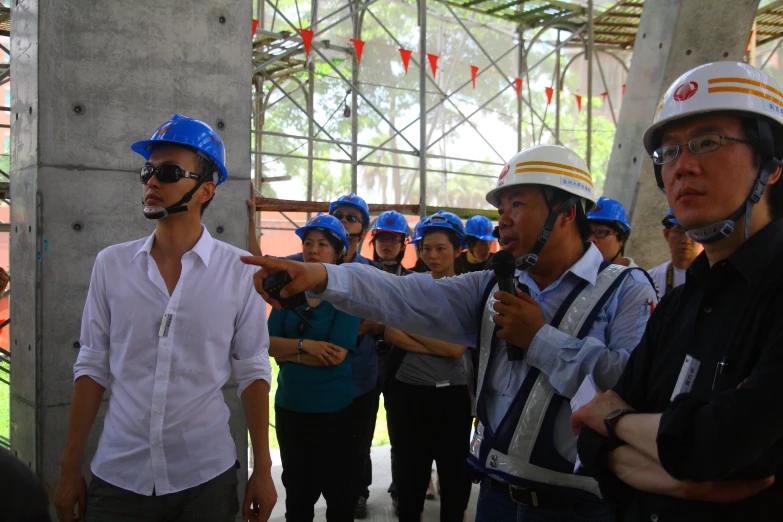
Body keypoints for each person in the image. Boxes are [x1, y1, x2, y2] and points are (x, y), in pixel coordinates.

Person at [242, 143, 658, 522]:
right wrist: (318, 275)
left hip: (582, 507)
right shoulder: (492, 287)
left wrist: (540, 339)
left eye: (517, 203)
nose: (504, 218)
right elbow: (403, 294)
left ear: (567, 213)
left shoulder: (626, 290)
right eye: (502, 205)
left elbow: (629, 389)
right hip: (497, 496)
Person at [571, 61, 783, 521]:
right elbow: (588, 440)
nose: (682, 166)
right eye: (668, 153)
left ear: (771, 163)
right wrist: (688, 472)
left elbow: (721, 445)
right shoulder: (679, 301)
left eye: (708, 142)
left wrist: (616, 421)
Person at [54, 115, 276, 522]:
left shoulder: (239, 271)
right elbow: (92, 365)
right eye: (147, 171)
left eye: (169, 172)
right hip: (120, 477)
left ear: (206, 189)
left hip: (205, 477)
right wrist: (69, 468)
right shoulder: (112, 265)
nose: (152, 182)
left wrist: (262, 469)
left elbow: (253, 371)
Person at [377, 211, 473, 522]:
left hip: (454, 396)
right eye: (426, 248)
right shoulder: (409, 287)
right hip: (408, 393)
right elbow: (392, 332)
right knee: (410, 477)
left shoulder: (468, 291)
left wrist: (415, 334)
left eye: (441, 248)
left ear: (458, 250)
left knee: (454, 475)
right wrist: (441, 341)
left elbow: (458, 348)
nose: (432, 255)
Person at [267, 214, 359, 522]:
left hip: (335, 411)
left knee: (339, 494)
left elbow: (335, 356)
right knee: (298, 494)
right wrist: (307, 347)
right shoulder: (287, 291)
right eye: (308, 243)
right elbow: (267, 344)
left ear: (338, 252)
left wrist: (288, 351)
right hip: (292, 407)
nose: (313, 250)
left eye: (322, 244)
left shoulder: (346, 296)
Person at [647, 209, 702, 297]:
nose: (686, 240)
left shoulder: (713, 278)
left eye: (693, 232)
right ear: (666, 234)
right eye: (678, 231)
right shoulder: (651, 279)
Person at [587, 196, 637, 267]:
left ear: (622, 239)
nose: (591, 239)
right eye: (587, 233)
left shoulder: (635, 277)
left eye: (601, 232)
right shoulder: (577, 273)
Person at [371, 210, 412, 276]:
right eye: (382, 238)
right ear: (374, 242)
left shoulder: (411, 281)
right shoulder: (363, 275)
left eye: (393, 239)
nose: (387, 243)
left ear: (402, 246)